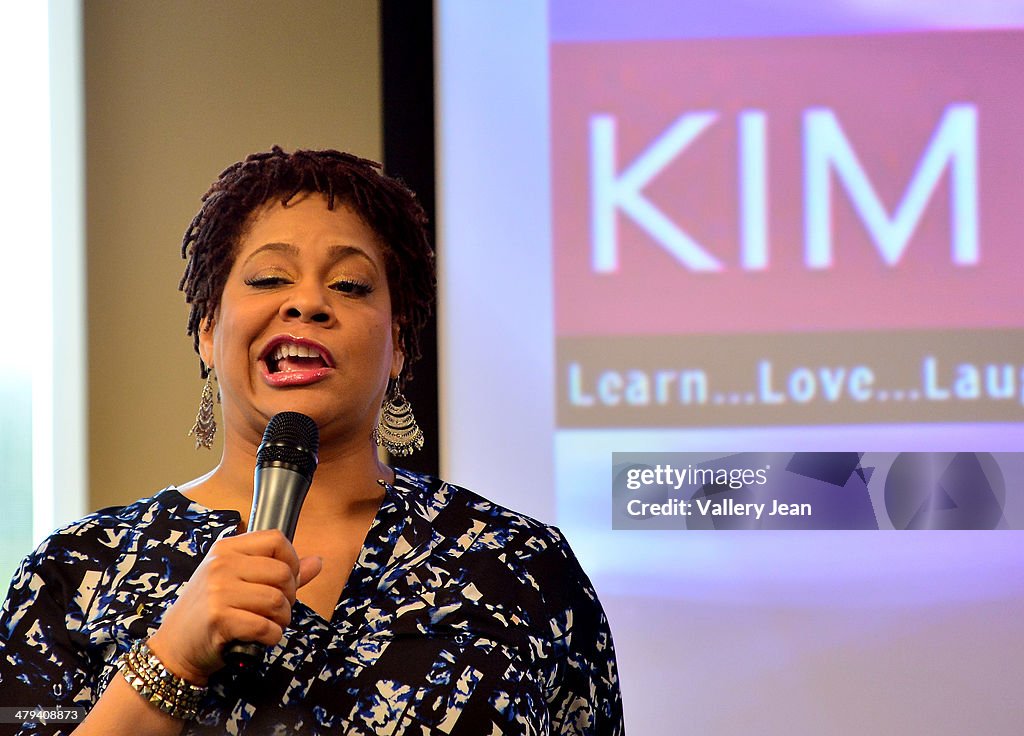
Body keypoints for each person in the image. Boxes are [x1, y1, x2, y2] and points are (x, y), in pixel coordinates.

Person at [0, 147, 624, 735]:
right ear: (208, 331)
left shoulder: (518, 567)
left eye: (350, 286)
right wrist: (171, 663)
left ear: (399, 345)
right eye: (270, 278)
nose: (307, 302)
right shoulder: (79, 572)